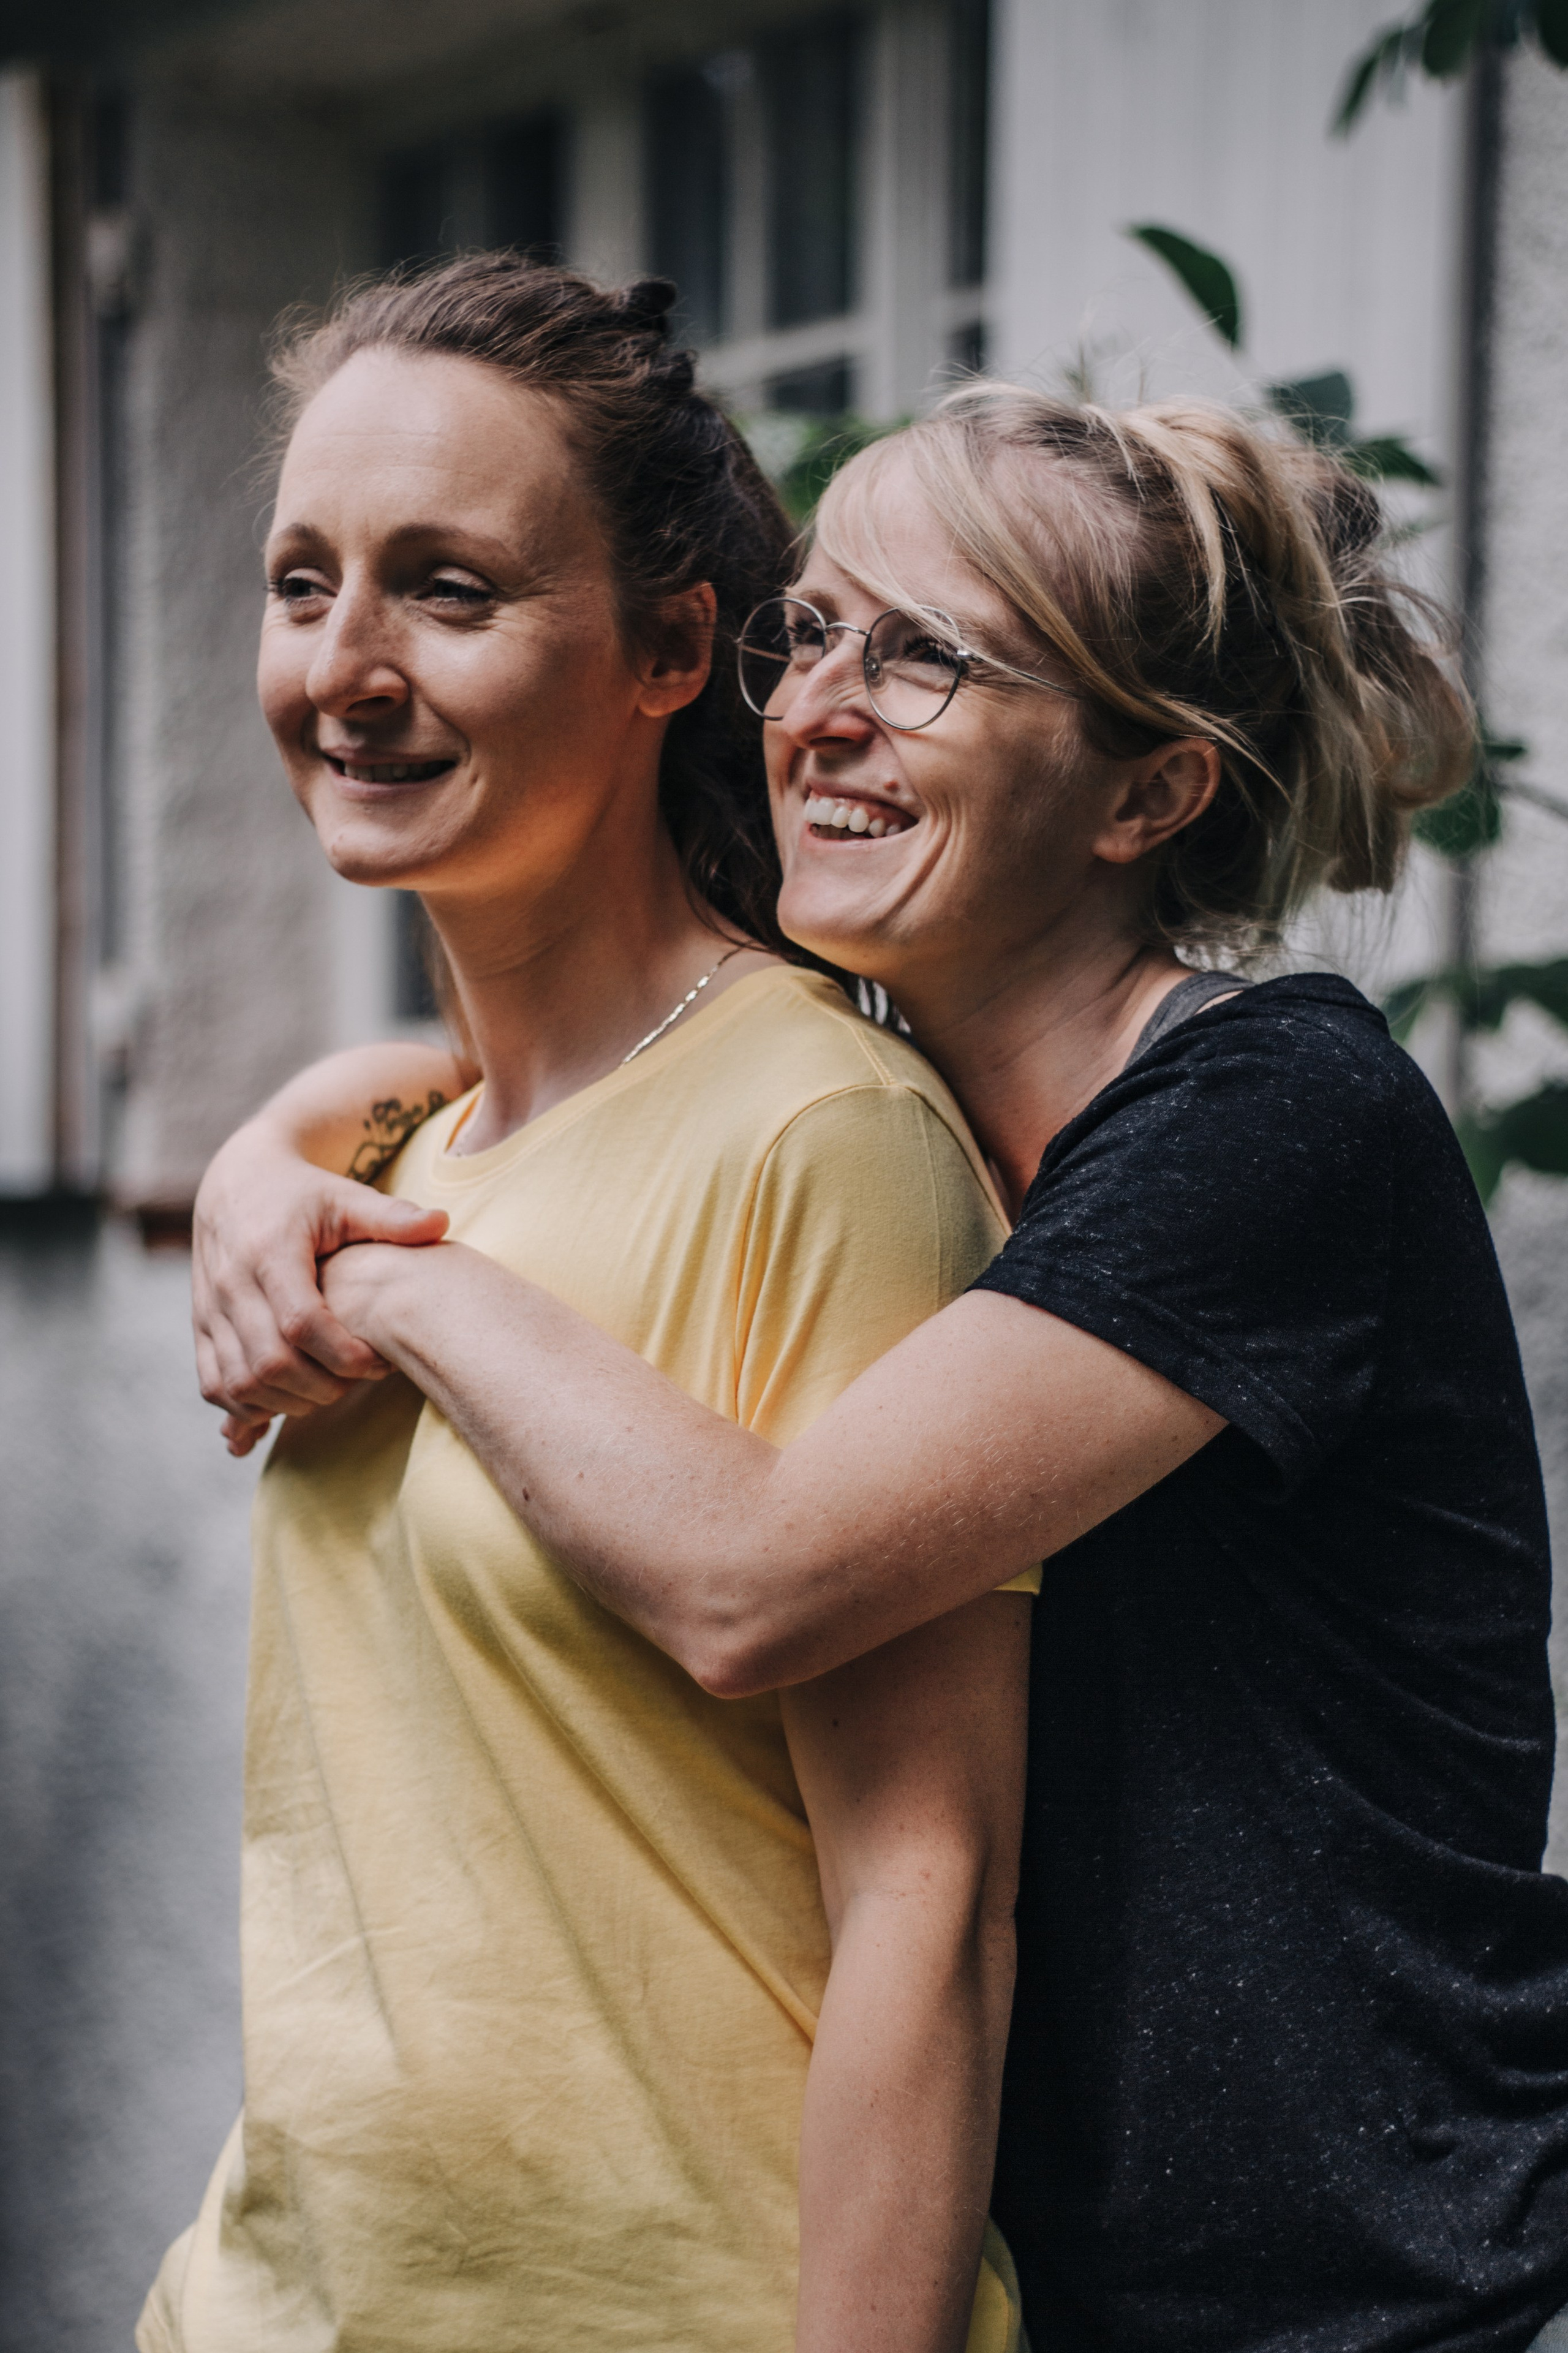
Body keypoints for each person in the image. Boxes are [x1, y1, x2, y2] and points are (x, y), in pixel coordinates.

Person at [197, 377, 1568, 2353]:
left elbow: (760, 1576)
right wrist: (269, 1155)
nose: (820, 707)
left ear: (1145, 796)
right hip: (1073, 2284)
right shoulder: (905, 1067)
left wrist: (395, 1281)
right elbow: (541, 1066)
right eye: (816, 624)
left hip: (1370, 2291)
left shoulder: (1274, 1118)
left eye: (928, 656)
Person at [141, 255, 1037, 2353]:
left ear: (667, 650)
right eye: (302, 583)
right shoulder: (402, 1157)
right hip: (281, 2306)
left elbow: (934, 1906)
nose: (345, 663)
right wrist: (268, 1160)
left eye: (446, 588)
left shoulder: (819, 1130)